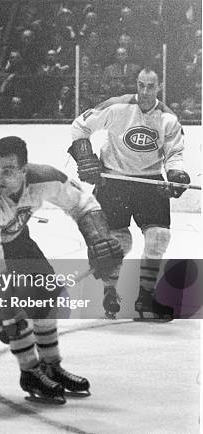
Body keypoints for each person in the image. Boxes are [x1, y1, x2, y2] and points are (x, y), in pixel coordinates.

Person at [0, 136, 123, 403]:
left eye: (8, 170)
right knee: (15, 309)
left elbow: (83, 203)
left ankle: (51, 366)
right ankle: (30, 372)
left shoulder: (44, 178)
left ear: (24, 171)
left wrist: (99, 237)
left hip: (12, 235)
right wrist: (3, 302)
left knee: (49, 295)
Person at [69, 67, 190, 320]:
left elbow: (174, 154)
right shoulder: (116, 107)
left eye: (150, 86)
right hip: (114, 183)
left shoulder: (168, 119)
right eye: (141, 85)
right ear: (136, 84)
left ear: (159, 87)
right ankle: (110, 292)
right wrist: (84, 155)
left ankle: (146, 298)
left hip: (150, 183)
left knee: (158, 238)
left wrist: (177, 175)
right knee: (119, 243)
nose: (145, 91)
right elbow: (80, 126)